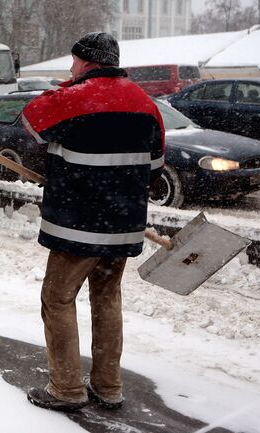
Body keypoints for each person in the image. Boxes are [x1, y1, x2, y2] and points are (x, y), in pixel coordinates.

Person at [21, 32, 165, 412]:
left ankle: (66, 389)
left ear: (86, 62)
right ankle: (108, 385)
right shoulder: (146, 103)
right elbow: (154, 167)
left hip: (77, 224)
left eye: (73, 62)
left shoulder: (76, 97)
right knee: (107, 298)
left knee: (57, 297)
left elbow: (31, 121)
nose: (70, 68)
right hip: (123, 224)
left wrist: (67, 89)